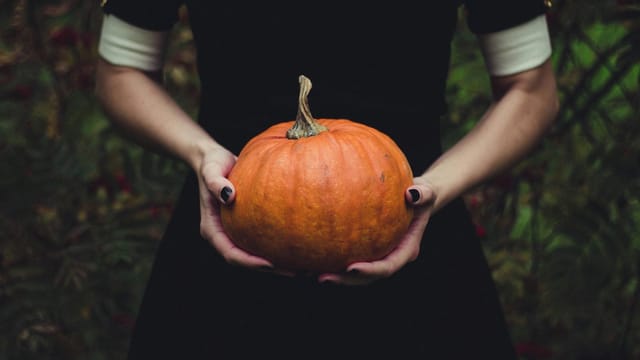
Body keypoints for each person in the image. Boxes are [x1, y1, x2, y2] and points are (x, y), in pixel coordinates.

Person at [95, 1, 559, 359]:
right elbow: (121, 72)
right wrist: (202, 155)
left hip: (411, 230)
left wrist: (435, 188)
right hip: (232, 220)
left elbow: (531, 89)